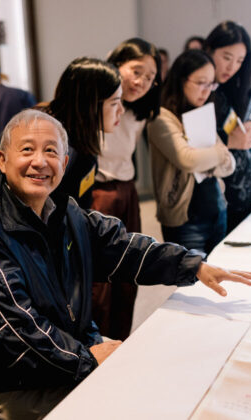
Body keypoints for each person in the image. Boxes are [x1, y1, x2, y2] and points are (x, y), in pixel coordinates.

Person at [0, 109, 251, 419]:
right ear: (2, 160)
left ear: (64, 163)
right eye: (27, 150)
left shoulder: (64, 212)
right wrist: (87, 359)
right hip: (14, 383)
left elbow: (122, 248)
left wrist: (193, 266)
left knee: (173, 369)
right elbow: (12, 329)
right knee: (140, 400)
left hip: (66, 357)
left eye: (51, 151)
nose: (39, 161)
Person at [0, 57, 124, 210]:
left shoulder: (82, 133)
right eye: (114, 103)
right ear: (89, 104)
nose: (121, 110)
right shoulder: (45, 134)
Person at [90, 38, 161, 340]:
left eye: (149, 77)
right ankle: (98, 345)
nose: (141, 81)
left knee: (130, 270)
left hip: (128, 191)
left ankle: (121, 341)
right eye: (136, 71)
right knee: (100, 280)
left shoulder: (138, 112)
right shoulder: (96, 103)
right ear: (116, 64)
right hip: (98, 193)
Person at [147, 49, 235, 254]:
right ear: (181, 80)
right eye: (201, 83)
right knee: (192, 283)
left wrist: (214, 155)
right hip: (186, 221)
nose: (207, 91)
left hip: (217, 210)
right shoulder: (161, 118)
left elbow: (230, 165)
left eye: (211, 84)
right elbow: (188, 159)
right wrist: (218, 153)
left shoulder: (202, 113)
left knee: (219, 279)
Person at [205, 21, 251, 232]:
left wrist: (248, 129)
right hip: (220, 193)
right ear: (210, 50)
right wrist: (229, 140)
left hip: (247, 185)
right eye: (226, 57)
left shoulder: (231, 87)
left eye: (240, 61)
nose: (232, 67)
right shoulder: (200, 89)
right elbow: (191, 141)